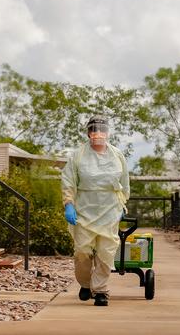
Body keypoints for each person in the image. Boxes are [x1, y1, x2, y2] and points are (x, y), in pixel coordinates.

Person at [61, 115, 130, 306]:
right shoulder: (78, 155)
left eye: (101, 130)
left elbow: (125, 182)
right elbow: (68, 181)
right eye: (93, 130)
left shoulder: (117, 155)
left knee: (106, 252)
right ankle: (85, 283)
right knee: (82, 250)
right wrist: (69, 204)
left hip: (110, 208)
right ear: (88, 133)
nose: (97, 133)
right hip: (84, 208)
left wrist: (123, 203)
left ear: (107, 133)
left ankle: (100, 290)